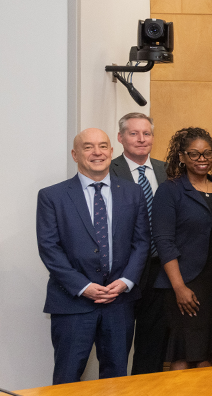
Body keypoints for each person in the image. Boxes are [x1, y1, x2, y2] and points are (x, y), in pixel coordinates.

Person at [36, 128, 149, 384]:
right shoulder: (52, 196)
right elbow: (49, 249)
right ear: (75, 154)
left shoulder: (133, 192)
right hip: (72, 303)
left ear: (111, 151)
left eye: (102, 146)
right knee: (67, 378)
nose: (97, 152)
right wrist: (83, 286)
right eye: (88, 147)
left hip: (119, 303)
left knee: (116, 378)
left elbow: (142, 243)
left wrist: (126, 282)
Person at [152, 127, 212, 370]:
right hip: (185, 283)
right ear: (181, 157)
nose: (202, 159)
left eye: (207, 153)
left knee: (206, 352)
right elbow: (164, 241)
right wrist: (179, 287)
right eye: (194, 154)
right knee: (185, 354)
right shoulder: (170, 190)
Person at [109, 112, 169, 374]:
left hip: (159, 271)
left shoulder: (167, 171)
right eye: (133, 133)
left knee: (153, 346)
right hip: (121, 271)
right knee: (116, 347)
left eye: (146, 133)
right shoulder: (108, 171)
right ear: (121, 138)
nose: (141, 139)